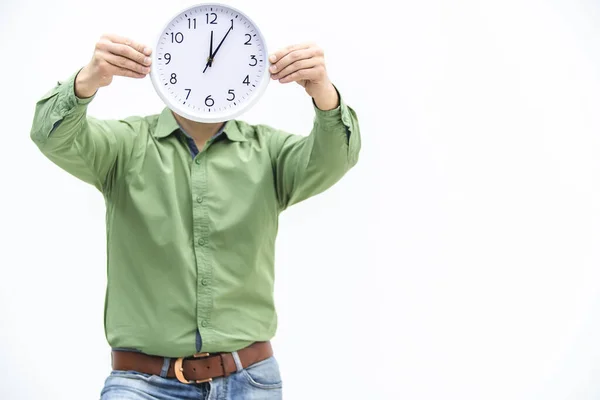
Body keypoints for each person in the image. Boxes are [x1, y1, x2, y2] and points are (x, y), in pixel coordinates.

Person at [29, 33, 361, 399]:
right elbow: (51, 136)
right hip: (142, 384)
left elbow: (335, 157)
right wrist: (85, 81)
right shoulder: (125, 146)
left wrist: (324, 95)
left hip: (250, 379)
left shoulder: (269, 152)